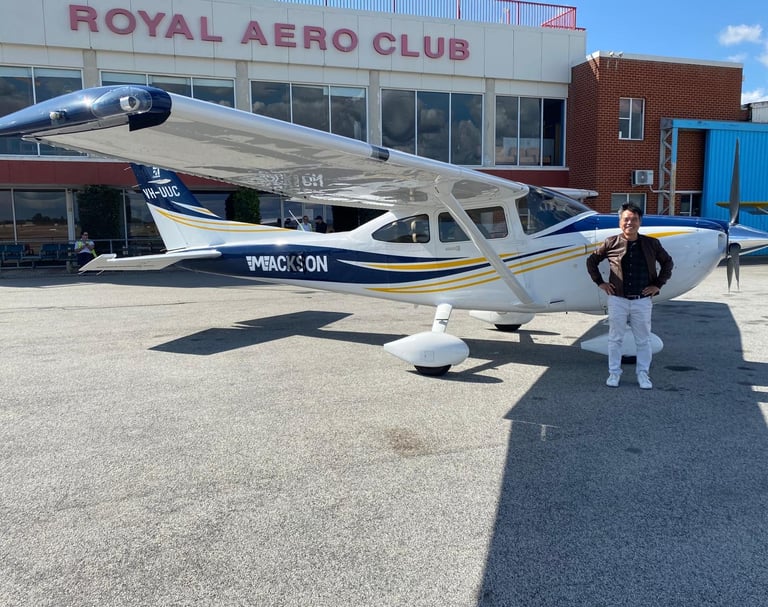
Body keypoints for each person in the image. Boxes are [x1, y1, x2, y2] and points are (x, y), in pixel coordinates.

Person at [586, 203, 673, 389]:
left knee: (643, 340)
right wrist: (600, 283)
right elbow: (592, 261)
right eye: (626, 219)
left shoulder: (652, 243)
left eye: (634, 219)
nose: (629, 223)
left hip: (642, 301)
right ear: (620, 222)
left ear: (640, 222)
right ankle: (614, 374)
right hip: (617, 299)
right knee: (615, 339)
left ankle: (643, 375)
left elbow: (668, 263)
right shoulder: (611, 243)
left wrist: (657, 285)